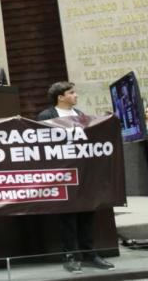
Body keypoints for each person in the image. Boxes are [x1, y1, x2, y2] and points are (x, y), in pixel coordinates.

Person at [36, 82, 114, 273]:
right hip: (61, 174)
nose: (76, 95)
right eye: (71, 92)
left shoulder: (80, 114)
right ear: (60, 97)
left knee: (87, 212)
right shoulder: (46, 116)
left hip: (83, 173)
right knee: (67, 216)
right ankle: (70, 256)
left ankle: (90, 253)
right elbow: (40, 144)